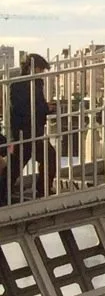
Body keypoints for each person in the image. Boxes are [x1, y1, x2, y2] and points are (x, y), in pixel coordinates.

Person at [5, 55, 52, 201]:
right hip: (31, 131)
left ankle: (4, 190)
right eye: (40, 69)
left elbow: (22, 107)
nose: (41, 72)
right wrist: (46, 108)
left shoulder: (16, 83)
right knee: (49, 157)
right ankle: (43, 189)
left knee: (15, 163)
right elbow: (35, 106)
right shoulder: (33, 83)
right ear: (33, 67)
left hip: (18, 131)